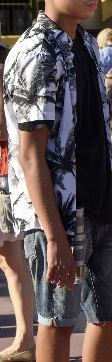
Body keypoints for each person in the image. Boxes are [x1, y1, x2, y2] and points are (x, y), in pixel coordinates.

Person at [4, 0, 112, 362]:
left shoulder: (88, 44)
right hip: (57, 214)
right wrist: (54, 233)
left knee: (111, 315)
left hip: (100, 203)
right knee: (58, 320)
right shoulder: (36, 53)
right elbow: (29, 155)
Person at [0, 40, 36, 362]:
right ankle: (25, 339)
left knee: (11, 258)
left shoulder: (5, 71)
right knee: (10, 259)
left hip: (3, 174)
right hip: (5, 174)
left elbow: (6, 126)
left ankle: (26, 339)